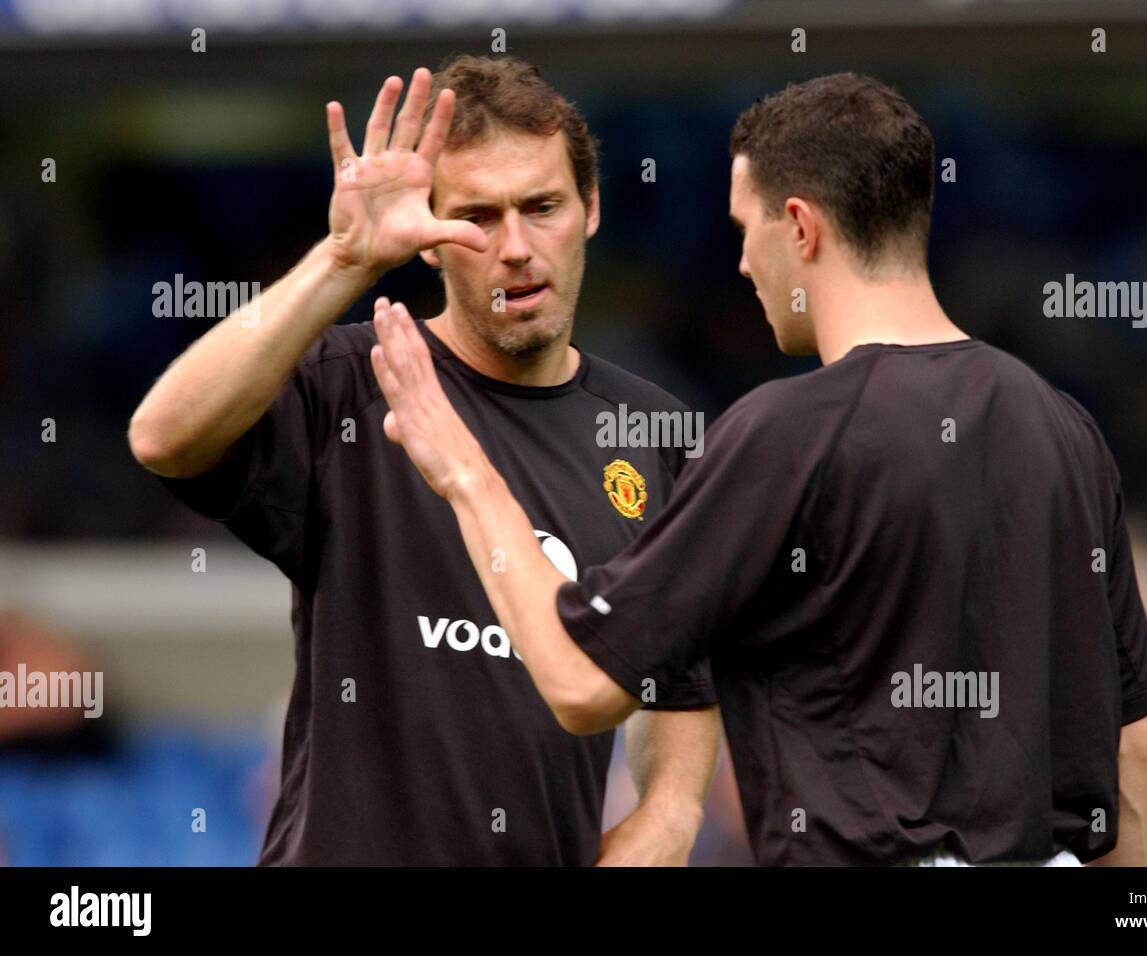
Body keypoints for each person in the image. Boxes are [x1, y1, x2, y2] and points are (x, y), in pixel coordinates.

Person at [367, 72, 1147, 866]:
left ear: (800, 227)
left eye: (744, 229)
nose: (744, 264)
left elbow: (581, 683)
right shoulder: (1067, 430)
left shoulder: (787, 433)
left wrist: (462, 467)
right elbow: (1141, 758)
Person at [127, 56, 719, 865]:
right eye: (477, 216)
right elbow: (163, 435)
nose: (515, 246)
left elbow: (686, 666)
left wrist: (670, 810)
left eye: (542, 206)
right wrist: (344, 259)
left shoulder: (657, 433)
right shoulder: (354, 382)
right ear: (431, 238)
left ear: (591, 209)